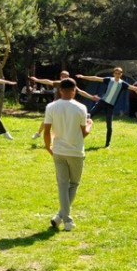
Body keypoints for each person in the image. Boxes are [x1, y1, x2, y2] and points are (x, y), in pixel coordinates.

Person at [42, 78, 94, 231]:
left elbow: (46, 130)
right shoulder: (81, 108)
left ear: (60, 90)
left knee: (63, 186)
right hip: (76, 151)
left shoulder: (51, 107)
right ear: (74, 90)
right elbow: (83, 133)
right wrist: (90, 126)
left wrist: (47, 146)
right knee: (73, 184)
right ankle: (67, 220)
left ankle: (60, 216)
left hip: (58, 150)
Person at [76, 67, 137, 148]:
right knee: (88, 116)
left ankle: (107, 145)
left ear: (121, 74)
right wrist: (83, 76)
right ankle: (77, 136)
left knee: (109, 126)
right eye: (116, 73)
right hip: (102, 102)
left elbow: (135, 88)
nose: (117, 75)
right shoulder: (109, 80)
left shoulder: (122, 84)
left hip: (110, 106)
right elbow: (96, 79)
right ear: (113, 74)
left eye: (119, 73)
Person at [29, 72, 99, 139]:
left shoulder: (71, 85)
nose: (65, 77)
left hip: (67, 106)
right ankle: (38, 133)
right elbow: (48, 81)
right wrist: (37, 80)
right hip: (56, 106)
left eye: (66, 76)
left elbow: (81, 92)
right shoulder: (58, 83)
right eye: (63, 76)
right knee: (46, 120)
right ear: (60, 77)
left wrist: (91, 97)